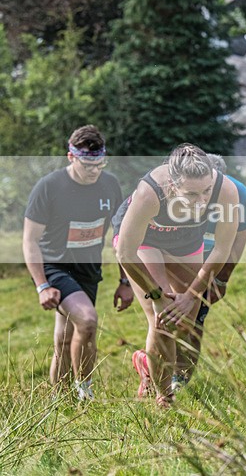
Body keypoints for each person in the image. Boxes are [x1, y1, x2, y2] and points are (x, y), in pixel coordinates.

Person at [113, 143, 239, 407]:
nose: (202, 200)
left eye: (206, 191)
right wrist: (157, 296)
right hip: (145, 240)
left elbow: (222, 248)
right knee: (163, 319)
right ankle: (165, 398)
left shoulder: (225, 189)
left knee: (186, 321)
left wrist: (192, 296)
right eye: (192, 194)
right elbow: (126, 252)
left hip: (185, 240)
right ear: (172, 185)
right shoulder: (150, 194)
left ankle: (147, 362)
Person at [22, 125, 132, 401]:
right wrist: (42, 285)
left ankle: (59, 401)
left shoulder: (110, 185)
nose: (94, 170)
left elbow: (118, 237)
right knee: (87, 320)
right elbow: (29, 241)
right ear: (71, 157)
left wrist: (125, 281)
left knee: (65, 338)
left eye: (99, 163)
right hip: (55, 266)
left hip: (88, 269)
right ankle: (85, 390)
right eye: (87, 164)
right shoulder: (49, 187)